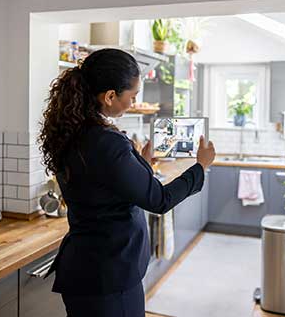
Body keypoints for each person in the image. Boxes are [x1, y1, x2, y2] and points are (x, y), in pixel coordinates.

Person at [38, 48, 216, 317]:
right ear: (110, 96)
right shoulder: (108, 142)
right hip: (110, 276)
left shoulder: (72, 132)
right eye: (132, 95)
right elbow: (160, 199)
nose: (133, 102)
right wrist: (200, 166)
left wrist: (140, 161)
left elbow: (105, 185)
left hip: (83, 271)